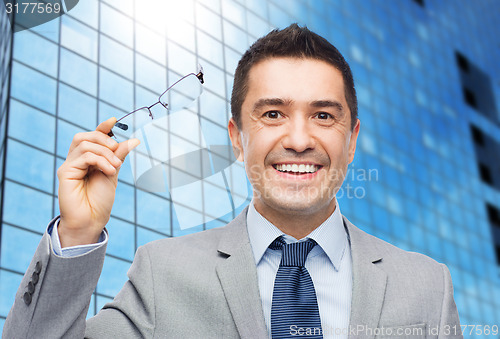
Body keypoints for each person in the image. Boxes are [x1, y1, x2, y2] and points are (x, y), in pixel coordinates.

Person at [3, 24, 461, 339]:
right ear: (237, 138)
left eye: (323, 115)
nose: (299, 140)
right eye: (273, 114)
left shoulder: (426, 287)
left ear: (352, 139)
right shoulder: (163, 274)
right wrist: (78, 235)